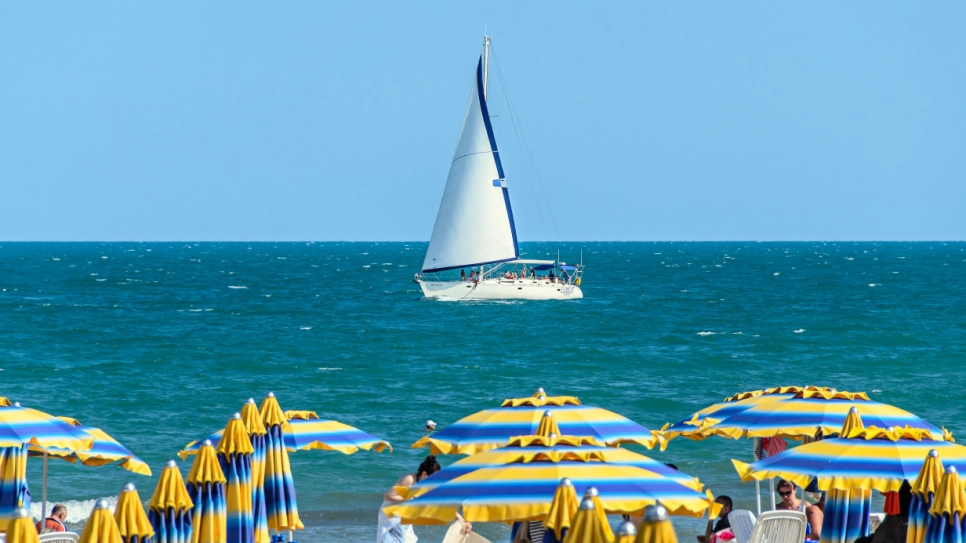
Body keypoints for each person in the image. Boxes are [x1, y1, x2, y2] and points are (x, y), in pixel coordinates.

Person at [378, 456, 471, 542]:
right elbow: (388, 496)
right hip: (391, 519)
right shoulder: (409, 480)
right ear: (424, 474)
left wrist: (462, 520)